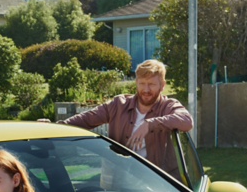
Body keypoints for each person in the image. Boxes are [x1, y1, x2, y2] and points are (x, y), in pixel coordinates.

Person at [45, 59, 192, 177]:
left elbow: (186, 121)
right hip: (118, 183)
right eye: (142, 84)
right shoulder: (118, 104)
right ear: (136, 82)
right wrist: (52, 127)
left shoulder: (168, 106)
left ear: (162, 85)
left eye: (152, 84)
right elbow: (85, 120)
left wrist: (149, 124)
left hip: (161, 186)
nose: (146, 90)